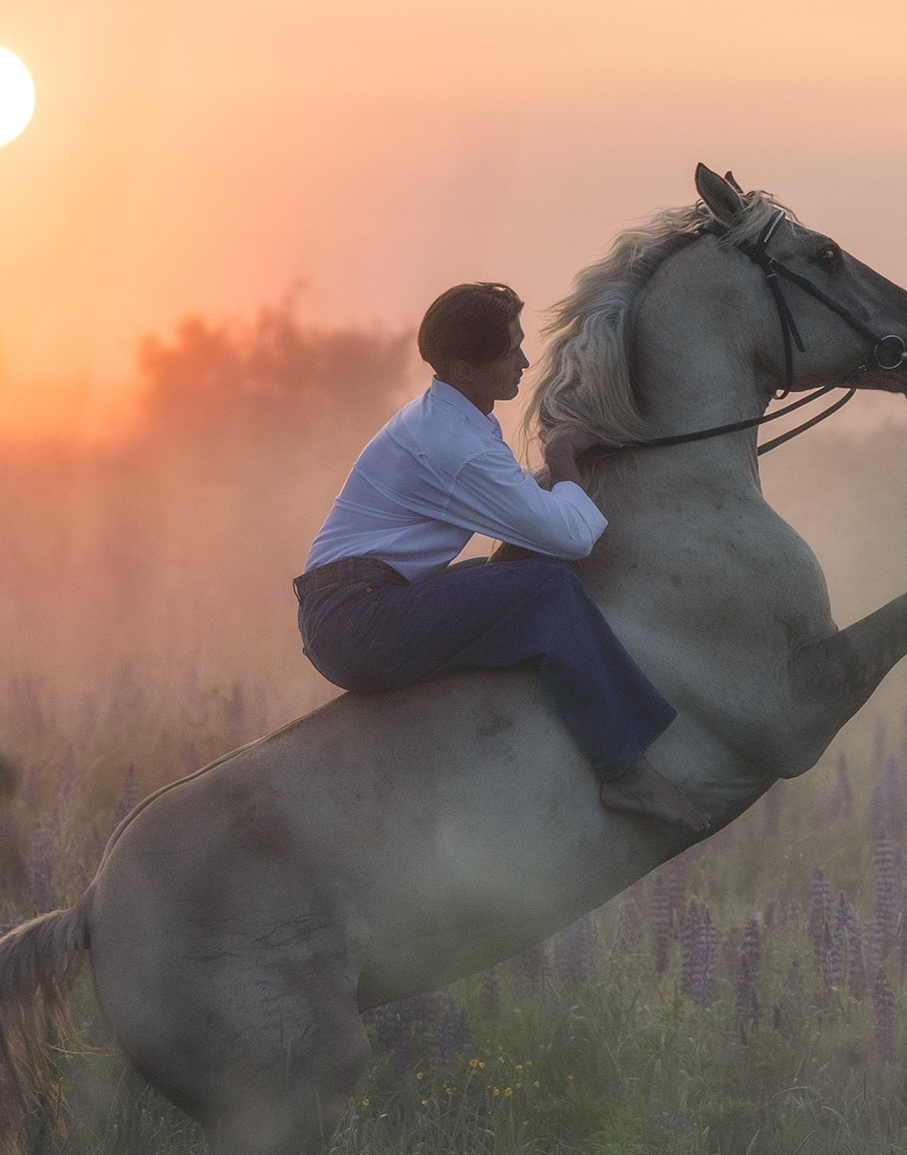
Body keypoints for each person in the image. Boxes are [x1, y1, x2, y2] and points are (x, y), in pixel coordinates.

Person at [294, 281, 710, 831]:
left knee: (513, 572)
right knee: (546, 586)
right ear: (464, 368)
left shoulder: (457, 418)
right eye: (510, 349)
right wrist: (563, 460)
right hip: (357, 620)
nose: (524, 360)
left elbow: (530, 515)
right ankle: (624, 773)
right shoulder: (454, 444)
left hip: (364, 603)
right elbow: (570, 539)